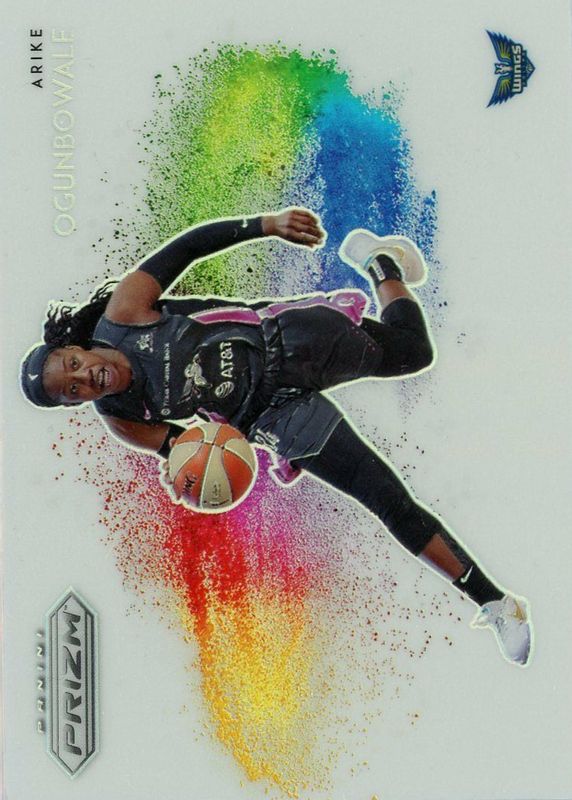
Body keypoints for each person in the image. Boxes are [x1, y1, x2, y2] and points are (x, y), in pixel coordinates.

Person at [20, 207, 533, 666]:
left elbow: (190, 246)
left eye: (73, 365)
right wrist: (190, 483)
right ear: (75, 403)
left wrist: (267, 225)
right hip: (273, 417)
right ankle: (496, 602)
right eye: (72, 391)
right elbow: (190, 456)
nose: (84, 379)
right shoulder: (123, 418)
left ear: (74, 349)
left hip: (285, 342)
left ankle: (380, 263)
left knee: (413, 353)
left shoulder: (125, 313)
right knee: (383, 498)